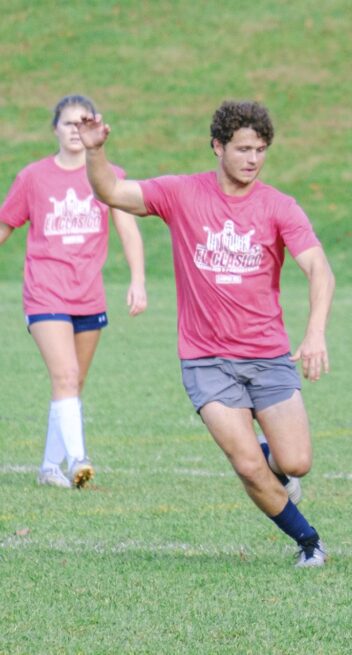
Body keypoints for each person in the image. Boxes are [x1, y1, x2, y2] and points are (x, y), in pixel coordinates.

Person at [78, 100, 336, 567]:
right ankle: (309, 542)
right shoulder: (181, 193)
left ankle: (269, 457)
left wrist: (315, 331)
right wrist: (96, 152)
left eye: (260, 149)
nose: (252, 159)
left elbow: (318, 266)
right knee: (247, 465)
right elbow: (112, 191)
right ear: (217, 147)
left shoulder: (279, 206)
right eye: (242, 149)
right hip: (206, 360)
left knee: (295, 463)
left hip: (268, 354)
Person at [0, 94, 147, 489]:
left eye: (83, 124)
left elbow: (128, 229)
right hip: (45, 293)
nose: (75, 131)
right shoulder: (33, 177)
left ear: (95, 128)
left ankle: (49, 467)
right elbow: (5, 225)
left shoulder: (108, 175)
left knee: (73, 383)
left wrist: (138, 279)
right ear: (55, 129)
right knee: (64, 374)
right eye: (68, 124)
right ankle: (78, 460)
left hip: (89, 295)